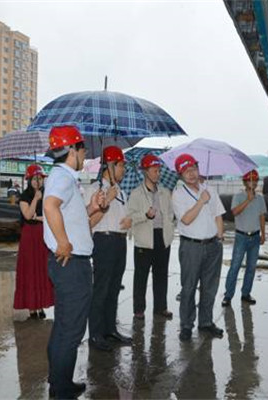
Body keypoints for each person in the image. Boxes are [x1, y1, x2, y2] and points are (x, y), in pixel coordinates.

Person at [43, 125, 103, 399]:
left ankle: (58, 380)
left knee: (64, 326)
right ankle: (61, 389)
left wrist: (93, 207)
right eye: (82, 149)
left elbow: (70, 214)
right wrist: (63, 241)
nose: (85, 155)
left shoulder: (64, 177)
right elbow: (50, 206)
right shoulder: (63, 177)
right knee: (71, 330)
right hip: (72, 264)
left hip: (69, 264)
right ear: (72, 151)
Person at [172, 153, 225, 342]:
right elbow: (186, 219)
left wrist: (219, 236)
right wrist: (201, 201)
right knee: (189, 287)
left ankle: (206, 322)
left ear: (198, 168)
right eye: (186, 171)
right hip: (191, 247)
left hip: (212, 245)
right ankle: (186, 325)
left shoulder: (209, 189)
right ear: (180, 175)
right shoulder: (178, 194)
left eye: (193, 169)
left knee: (210, 287)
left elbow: (218, 214)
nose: (191, 173)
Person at [86, 145, 133, 352]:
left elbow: (122, 216)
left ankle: (110, 329)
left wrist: (129, 221)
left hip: (119, 241)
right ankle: (95, 334)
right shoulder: (94, 189)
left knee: (114, 288)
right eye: (121, 165)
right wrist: (107, 201)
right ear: (110, 166)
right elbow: (89, 222)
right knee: (101, 289)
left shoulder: (120, 190)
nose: (124, 170)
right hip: (103, 241)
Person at [128, 154, 175, 320]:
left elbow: (170, 213)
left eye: (159, 170)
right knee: (141, 276)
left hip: (162, 237)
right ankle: (139, 309)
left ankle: (161, 307)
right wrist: (145, 215)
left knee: (161, 274)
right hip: (144, 239)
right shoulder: (136, 194)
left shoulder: (165, 192)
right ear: (145, 171)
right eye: (155, 170)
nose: (158, 173)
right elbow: (129, 217)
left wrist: (170, 227)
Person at [13, 165, 54, 319]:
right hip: (29, 236)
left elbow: (51, 215)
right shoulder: (24, 197)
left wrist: (39, 217)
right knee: (30, 270)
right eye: (35, 179)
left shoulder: (47, 195)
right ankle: (32, 307)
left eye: (40, 179)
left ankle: (41, 304)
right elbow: (28, 215)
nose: (38, 182)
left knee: (42, 269)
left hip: (43, 235)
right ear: (29, 180)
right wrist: (36, 199)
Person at [222, 169, 266, 306]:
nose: (253, 183)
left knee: (251, 267)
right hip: (241, 237)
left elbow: (262, 216)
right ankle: (228, 295)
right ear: (245, 182)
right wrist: (248, 200)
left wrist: (263, 234)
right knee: (235, 266)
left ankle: (246, 293)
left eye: (256, 180)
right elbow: (234, 212)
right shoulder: (238, 196)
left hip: (255, 237)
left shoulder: (260, 198)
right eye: (250, 180)